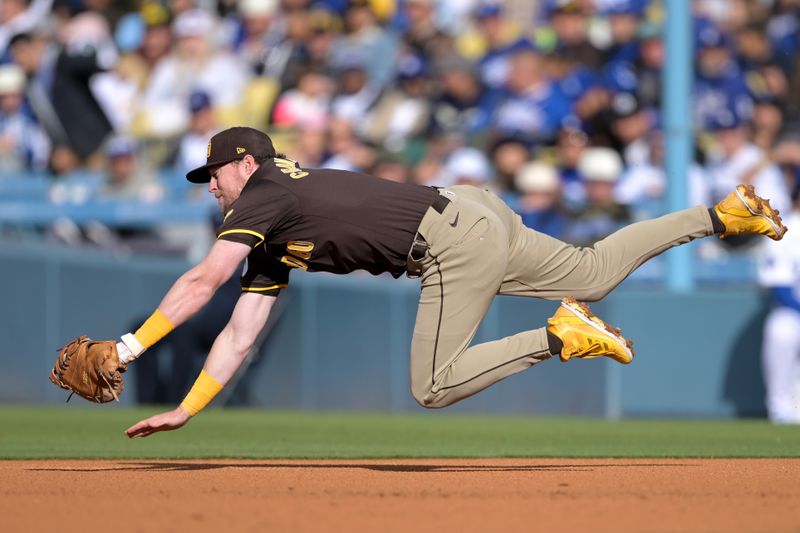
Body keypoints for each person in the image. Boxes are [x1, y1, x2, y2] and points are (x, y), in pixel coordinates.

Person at [121, 126, 786, 438]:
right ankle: (722, 214)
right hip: (469, 208)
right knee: (596, 271)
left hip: (446, 240)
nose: (209, 185)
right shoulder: (274, 216)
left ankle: (560, 336)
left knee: (432, 384)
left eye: (213, 172)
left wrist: (127, 349)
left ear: (245, 161)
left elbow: (205, 278)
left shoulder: (260, 193)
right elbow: (240, 332)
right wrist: (190, 406)